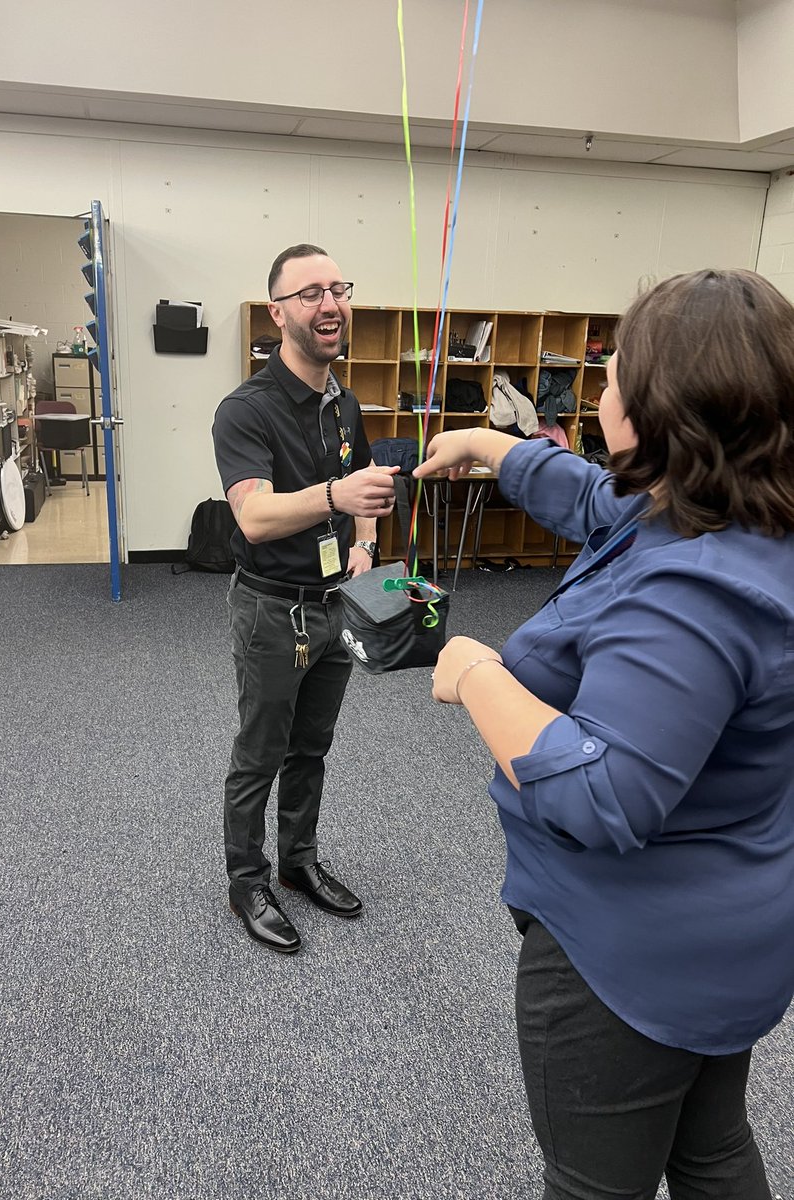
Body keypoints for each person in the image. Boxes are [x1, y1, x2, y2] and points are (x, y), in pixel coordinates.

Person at [414, 268, 794, 1198]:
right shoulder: (737, 512)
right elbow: (595, 500)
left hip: (629, 957)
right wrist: (487, 445)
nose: (598, 393)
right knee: (708, 1150)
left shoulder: (695, 591)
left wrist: (477, 672)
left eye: (615, 376)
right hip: (734, 930)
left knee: (595, 1184)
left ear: (666, 407)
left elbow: (602, 794)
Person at [212, 243, 398, 955]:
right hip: (270, 609)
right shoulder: (246, 410)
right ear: (278, 311)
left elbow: (365, 487)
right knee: (261, 751)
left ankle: (298, 861)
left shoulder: (344, 400)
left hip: (334, 603)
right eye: (312, 293)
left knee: (312, 748)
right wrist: (334, 497)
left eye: (339, 289)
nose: (330, 304)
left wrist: (364, 543)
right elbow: (253, 517)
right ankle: (245, 881)